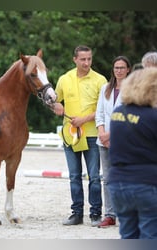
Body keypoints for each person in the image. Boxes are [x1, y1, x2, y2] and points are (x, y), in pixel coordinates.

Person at [53, 45, 107, 227]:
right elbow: (55, 102)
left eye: (89, 59)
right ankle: (76, 214)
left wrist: (84, 119)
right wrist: (55, 106)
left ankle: (95, 214)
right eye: (83, 59)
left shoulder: (100, 80)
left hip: (92, 135)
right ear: (74, 59)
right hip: (70, 135)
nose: (86, 63)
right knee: (74, 176)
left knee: (94, 176)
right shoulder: (64, 79)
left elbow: (103, 109)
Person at [108, 67, 157, 239]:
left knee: (128, 236)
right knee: (150, 235)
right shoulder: (153, 116)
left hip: (118, 183)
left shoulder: (118, 114)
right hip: (146, 183)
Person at [95, 56, 131, 228]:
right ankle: (110, 214)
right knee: (107, 179)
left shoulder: (133, 90)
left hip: (123, 141)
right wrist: (102, 133)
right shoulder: (105, 89)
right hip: (104, 142)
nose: (119, 71)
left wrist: (110, 134)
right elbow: (99, 113)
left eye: (122, 68)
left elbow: (129, 117)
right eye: (116, 67)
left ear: (128, 70)